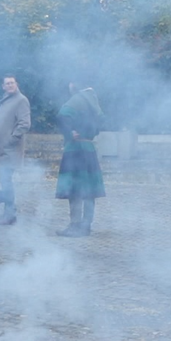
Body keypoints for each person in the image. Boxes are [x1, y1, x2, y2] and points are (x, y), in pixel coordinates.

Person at [55, 81, 105, 237]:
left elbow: (62, 115)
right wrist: (90, 132)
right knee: (89, 190)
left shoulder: (77, 98)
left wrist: (70, 133)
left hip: (75, 149)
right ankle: (86, 225)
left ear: (75, 85)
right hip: (89, 148)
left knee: (74, 188)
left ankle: (75, 226)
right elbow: (102, 120)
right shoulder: (93, 99)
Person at [0, 74, 31, 225]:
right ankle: (8, 212)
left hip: (10, 150)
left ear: (17, 84)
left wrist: (10, 140)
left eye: (12, 83)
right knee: (4, 181)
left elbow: (24, 124)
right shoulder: (6, 100)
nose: (9, 85)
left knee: (6, 181)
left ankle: (9, 213)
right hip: (2, 149)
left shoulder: (21, 100)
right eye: (7, 83)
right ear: (3, 86)